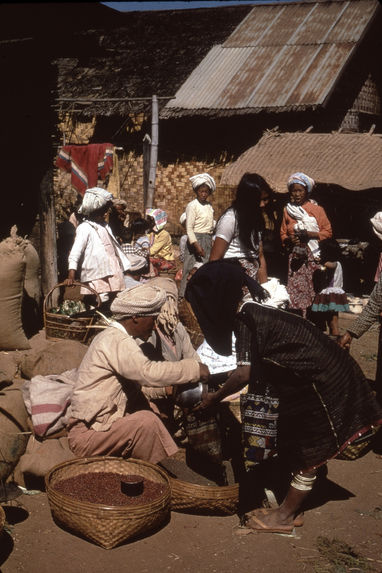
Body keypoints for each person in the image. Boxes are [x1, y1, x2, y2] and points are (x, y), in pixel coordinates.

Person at [186, 261, 382, 533]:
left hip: (328, 378)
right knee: (297, 439)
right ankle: (292, 507)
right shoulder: (251, 311)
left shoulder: (245, 318)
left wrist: (214, 397)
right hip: (321, 372)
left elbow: (243, 374)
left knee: (311, 446)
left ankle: (286, 515)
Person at [67, 284, 209, 464]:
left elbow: (133, 388)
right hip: (88, 435)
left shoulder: (119, 338)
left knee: (150, 412)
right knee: (146, 422)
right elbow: (147, 372)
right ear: (135, 318)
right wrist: (194, 369)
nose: (155, 324)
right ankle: (162, 479)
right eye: (152, 318)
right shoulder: (115, 340)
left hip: (101, 428)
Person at [65, 187, 131, 303]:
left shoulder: (105, 226)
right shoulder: (84, 228)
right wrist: (71, 274)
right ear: (93, 209)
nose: (106, 213)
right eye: (103, 210)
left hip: (112, 269)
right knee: (100, 298)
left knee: (113, 298)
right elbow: (76, 252)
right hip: (97, 271)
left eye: (106, 210)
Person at [280, 172, 332, 318]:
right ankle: (299, 321)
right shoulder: (287, 210)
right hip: (296, 258)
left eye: (300, 190)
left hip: (313, 257)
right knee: (296, 291)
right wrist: (290, 240)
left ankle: (312, 322)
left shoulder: (317, 210)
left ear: (306, 191)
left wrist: (311, 235)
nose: (296, 194)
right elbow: (283, 233)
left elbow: (327, 232)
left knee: (313, 291)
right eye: (294, 191)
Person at [209, 173, 268, 284]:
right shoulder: (230, 219)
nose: (262, 205)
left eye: (265, 200)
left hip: (251, 283)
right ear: (248, 200)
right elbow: (214, 260)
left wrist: (266, 289)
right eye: (259, 200)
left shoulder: (256, 219)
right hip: (232, 282)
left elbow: (260, 258)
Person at [179, 173, 215, 298]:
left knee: (204, 268)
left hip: (207, 238)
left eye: (206, 192)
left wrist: (211, 240)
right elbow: (189, 229)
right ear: (196, 191)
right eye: (201, 191)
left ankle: (199, 296)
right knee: (189, 267)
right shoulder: (192, 206)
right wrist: (196, 245)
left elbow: (211, 225)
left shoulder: (209, 206)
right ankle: (183, 296)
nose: (204, 194)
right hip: (195, 239)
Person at [311, 238, 349, 338]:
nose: (321, 253)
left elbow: (331, 265)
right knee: (329, 319)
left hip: (332, 295)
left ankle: (336, 342)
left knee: (333, 321)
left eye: (322, 251)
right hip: (328, 295)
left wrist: (321, 261)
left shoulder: (336, 263)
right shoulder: (330, 265)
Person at [145, 208, 176, 275]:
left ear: (157, 221)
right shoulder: (150, 233)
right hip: (154, 258)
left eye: (150, 220)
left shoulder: (164, 234)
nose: (148, 221)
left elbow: (152, 251)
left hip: (165, 260)